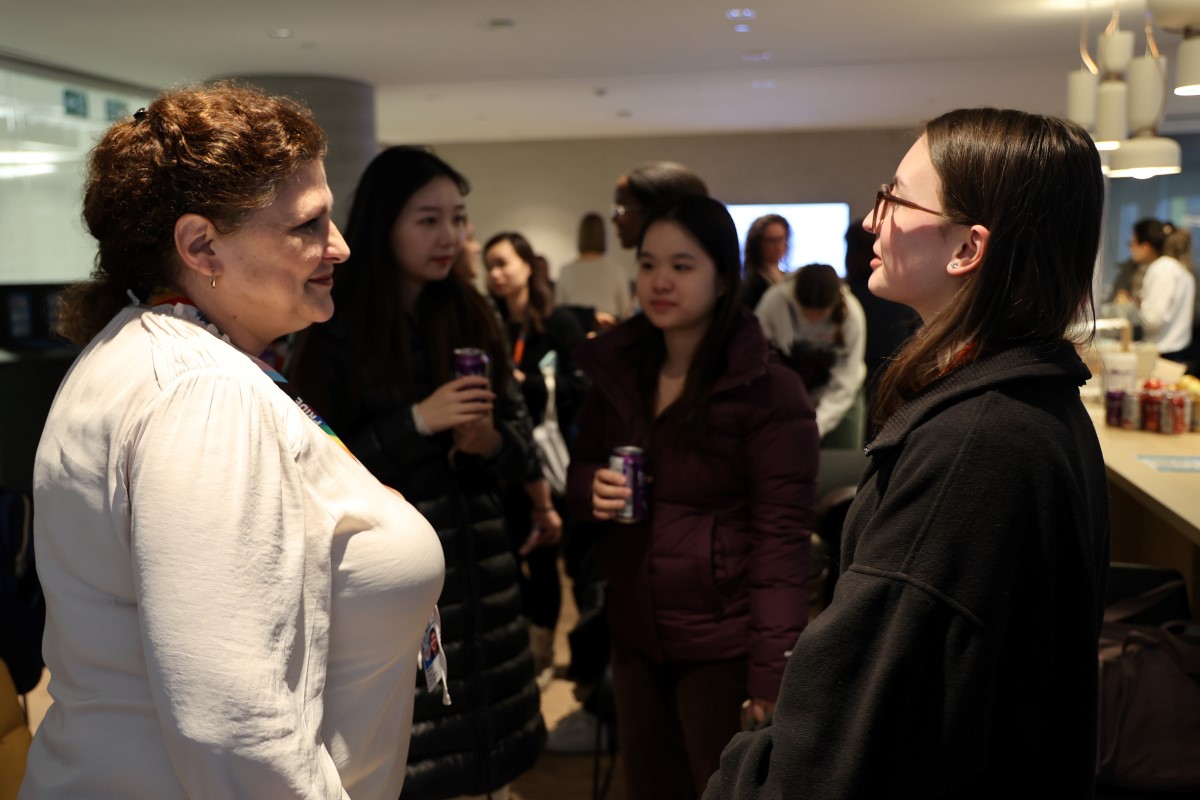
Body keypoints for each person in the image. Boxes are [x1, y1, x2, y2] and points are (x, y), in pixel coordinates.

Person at [23, 84, 445, 799]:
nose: (338, 246)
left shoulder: (151, 352)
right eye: (307, 227)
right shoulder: (202, 393)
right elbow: (235, 723)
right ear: (200, 245)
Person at [705, 108, 1110, 799]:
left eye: (895, 198)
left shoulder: (976, 446)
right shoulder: (1023, 408)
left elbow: (847, 739)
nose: (872, 220)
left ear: (966, 249)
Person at [288, 145, 546, 800]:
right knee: (414, 762)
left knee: (490, 753)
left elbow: (522, 450)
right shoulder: (333, 325)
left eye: (456, 219)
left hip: (483, 574)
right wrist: (418, 422)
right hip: (389, 583)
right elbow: (314, 469)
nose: (449, 237)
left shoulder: (470, 312)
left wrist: (490, 439)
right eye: (427, 220)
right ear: (384, 224)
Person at [570, 195, 817, 799]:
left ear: (721, 274)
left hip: (722, 639)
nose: (660, 281)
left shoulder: (768, 388)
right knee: (650, 785)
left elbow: (782, 540)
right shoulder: (622, 369)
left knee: (722, 788)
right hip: (635, 628)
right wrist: (589, 487)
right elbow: (580, 472)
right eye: (649, 264)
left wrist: (772, 670)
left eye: (682, 266)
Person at [483, 230, 588, 688]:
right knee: (521, 555)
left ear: (529, 265)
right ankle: (531, 648)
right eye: (490, 265)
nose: (496, 274)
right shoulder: (491, 327)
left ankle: (556, 654)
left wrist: (525, 384)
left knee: (556, 559)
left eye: (504, 263)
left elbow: (580, 390)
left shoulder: (557, 323)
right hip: (510, 462)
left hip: (558, 459)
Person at [755, 263, 868, 447]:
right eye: (806, 313)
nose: (813, 320)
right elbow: (757, 358)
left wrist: (816, 426)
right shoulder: (775, 301)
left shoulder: (851, 313)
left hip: (839, 397)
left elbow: (846, 379)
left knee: (842, 468)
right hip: (785, 396)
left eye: (821, 314)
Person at [1130, 218, 1196, 363]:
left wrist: (1138, 305)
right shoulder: (1183, 270)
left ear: (1146, 245)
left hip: (1162, 355)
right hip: (1179, 352)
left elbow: (1152, 319)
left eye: (1132, 242)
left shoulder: (1163, 267)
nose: (1131, 248)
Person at [555, 211, 632, 328]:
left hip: (576, 336)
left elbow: (559, 312)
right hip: (608, 336)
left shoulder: (566, 271)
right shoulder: (617, 271)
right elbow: (626, 313)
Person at [739, 214, 791, 310]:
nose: (778, 246)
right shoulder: (750, 286)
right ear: (757, 244)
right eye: (771, 240)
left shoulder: (789, 278)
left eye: (781, 239)